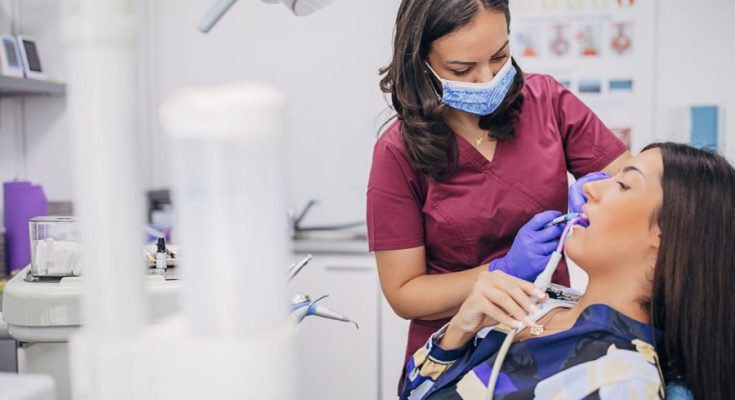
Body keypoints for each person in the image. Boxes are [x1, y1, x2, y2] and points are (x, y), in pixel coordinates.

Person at [368, 0, 630, 383]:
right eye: (462, 69)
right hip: (457, 351)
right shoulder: (397, 152)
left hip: (547, 337)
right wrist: (501, 271)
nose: (488, 78)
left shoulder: (546, 102)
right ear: (420, 62)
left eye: (499, 57)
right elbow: (404, 293)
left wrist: (608, 192)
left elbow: (641, 189)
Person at [399, 143, 734, 399]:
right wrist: (458, 331)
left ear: (667, 233)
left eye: (623, 184)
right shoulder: (539, 300)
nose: (589, 188)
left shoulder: (623, 380)